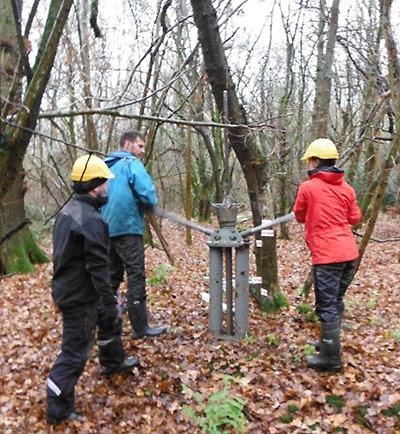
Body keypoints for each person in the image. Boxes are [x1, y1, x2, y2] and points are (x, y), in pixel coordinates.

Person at [46, 154, 139, 425]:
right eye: (105, 184)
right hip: (79, 297)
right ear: (95, 186)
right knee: (74, 353)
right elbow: (99, 270)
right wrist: (109, 303)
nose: (108, 188)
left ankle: (113, 362)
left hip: (68, 291)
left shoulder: (68, 211)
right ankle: (57, 409)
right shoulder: (91, 221)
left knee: (100, 331)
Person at [293, 138, 362, 372]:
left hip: (328, 257)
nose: (308, 164)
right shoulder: (347, 188)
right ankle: (328, 345)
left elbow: (299, 216)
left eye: (309, 160)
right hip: (349, 255)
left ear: (315, 161)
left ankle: (331, 360)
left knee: (327, 306)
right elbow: (355, 218)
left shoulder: (308, 188)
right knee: (336, 301)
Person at [101, 131, 167, 338]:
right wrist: (150, 204)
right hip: (128, 228)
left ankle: (108, 323)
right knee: (136, 275)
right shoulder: (131, 164)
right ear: (128, 145)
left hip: (106, 229)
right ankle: (141, 327)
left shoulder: (105, 166)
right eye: (140, 146)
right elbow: (146, 192)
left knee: (112, 276)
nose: (142, 151)